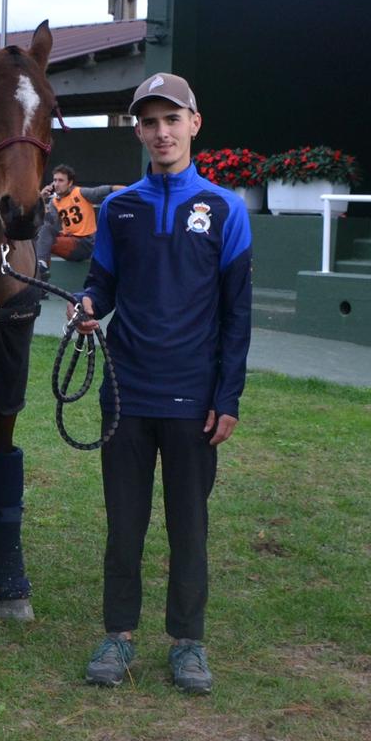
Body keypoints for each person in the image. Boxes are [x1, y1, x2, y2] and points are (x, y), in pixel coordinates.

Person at [74, 73, 252, 696]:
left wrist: (226, 397)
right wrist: (89, 303)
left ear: (194, 125)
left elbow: (237, 316)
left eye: (171, 119)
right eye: (149, 122)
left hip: (193, 401)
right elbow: (103, 282)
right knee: (124, 525)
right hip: (125, 394)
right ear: (140, 131)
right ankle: (118, 636)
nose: (161, 131)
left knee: (188, 527)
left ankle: (187, 643)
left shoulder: (227, 209)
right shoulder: (120, 208)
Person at [35, 165, 119, 275]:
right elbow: (49, 224)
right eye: (54, 180)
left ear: (70, 183)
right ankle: (42, 269)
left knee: (45, 242)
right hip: (69, 240)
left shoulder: (81, 193)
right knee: (39, 236)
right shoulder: (54, 202)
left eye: (61, 180)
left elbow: (107, 189)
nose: (56, 184)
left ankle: (41, 267)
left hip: (85, 243)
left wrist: (131, 190)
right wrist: (41, 199)